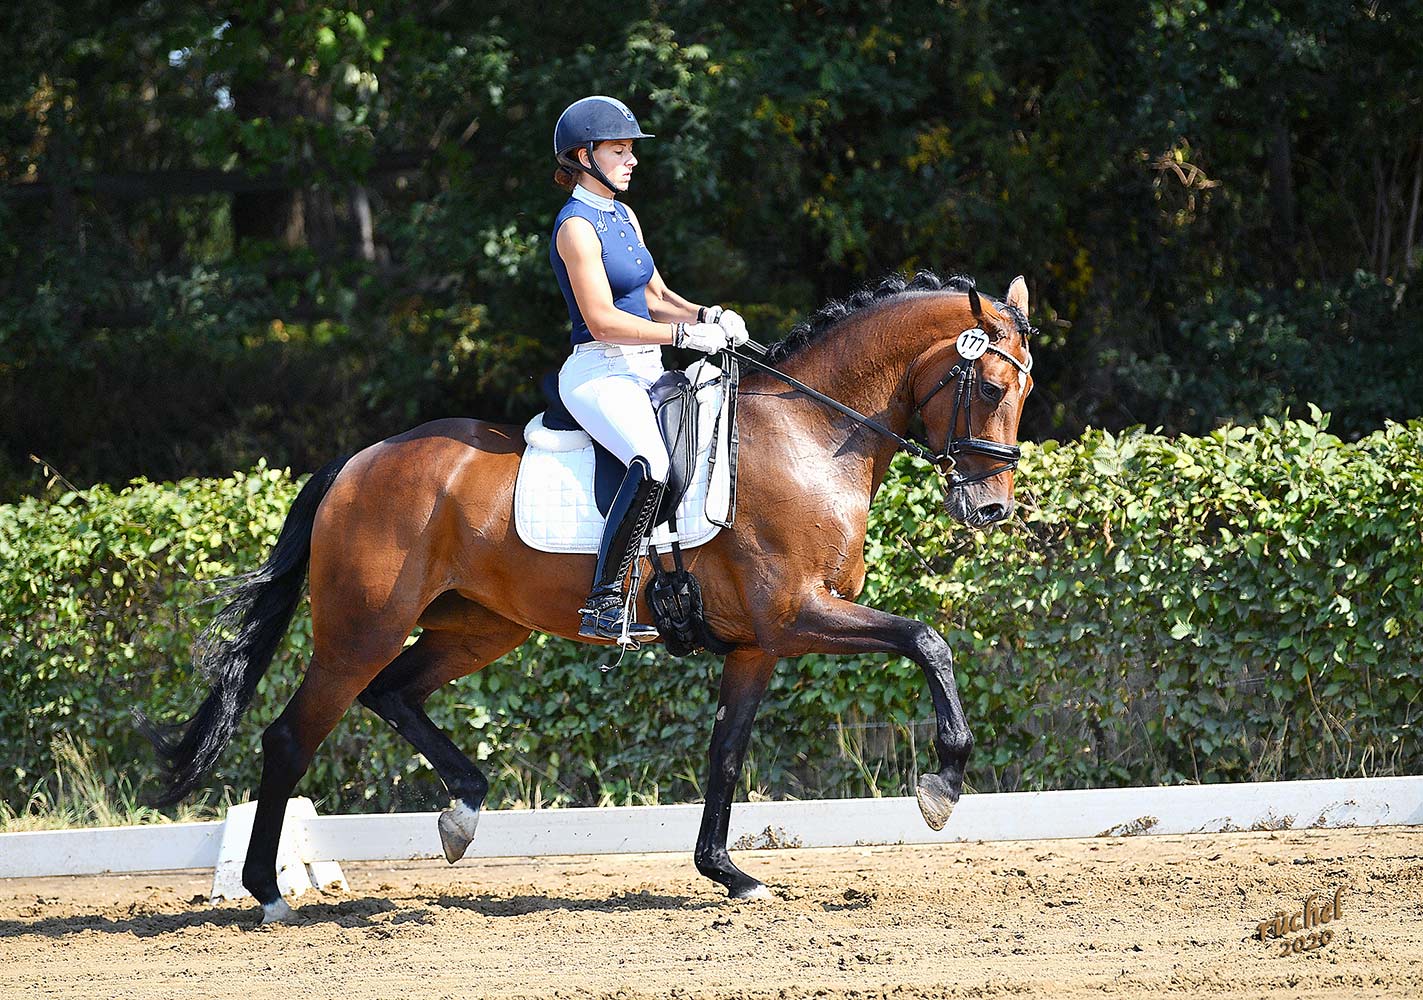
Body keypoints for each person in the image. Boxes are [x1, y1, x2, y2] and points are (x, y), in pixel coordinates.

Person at [549, 95, 749, 643]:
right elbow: (604, 320)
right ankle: (605, 599)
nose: (632, 160)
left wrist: (708, 313)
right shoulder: (576, 228)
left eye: (631, 150)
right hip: (599, 371)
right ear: (584, 156)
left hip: (645, 366)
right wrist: (686, 336)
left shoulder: (623, 214)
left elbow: (655, 294)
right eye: (620, 150)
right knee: (654, 462)